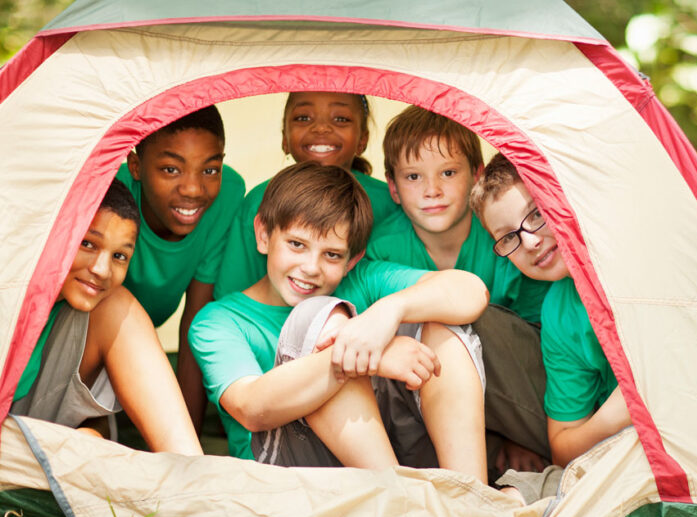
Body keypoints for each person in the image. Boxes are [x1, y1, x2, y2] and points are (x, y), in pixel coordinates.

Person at [190, 162, 489, 482]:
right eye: (296, 245)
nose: (311, 268)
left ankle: (471, 496)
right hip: (285, 472)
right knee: (317, 316)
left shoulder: (361, 280)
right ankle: (402, 497)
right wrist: (367, 358)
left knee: (438, 322)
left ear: (352, 260)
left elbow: (471, 290)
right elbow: (251, 407)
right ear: (263, 234)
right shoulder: (219, 320)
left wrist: (387, 314)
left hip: (383, 452)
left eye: (332, 255)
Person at [369, 106, 552, 479]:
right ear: (393, 188)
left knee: (447, 318)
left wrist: (518, 435)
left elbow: (541, 345)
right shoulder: (382, 248)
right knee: (423, 327)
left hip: (520, 389)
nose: (432, 190)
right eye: (413, 176)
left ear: (476, 175)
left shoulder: (506, 237)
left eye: (448, 173)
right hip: (421, 396)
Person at [470, 153, 632, 499]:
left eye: (537, 214)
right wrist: (615, 415)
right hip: (623, 445)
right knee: (522, 493)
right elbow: (563, 445)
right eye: (508, 237)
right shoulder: (560, 310)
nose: (529, 241)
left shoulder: (631, 254)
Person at [11, 180, 203, 456]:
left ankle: (192, 476)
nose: (102, 269)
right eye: (88, 243)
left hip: (34, 438)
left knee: (117, 304)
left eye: (119, 256)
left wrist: (92, 434)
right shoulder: (12, 284)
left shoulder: (102, 307)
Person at [116, 105, 245, 431]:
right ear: (136, 166)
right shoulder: (109, 188)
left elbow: (197, 321)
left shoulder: (227, 194)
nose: (193, 189)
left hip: (153, 335)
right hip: (93, 326)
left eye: (210, 170)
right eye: (172, 169)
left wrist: (187, 439)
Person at [214, 92, 399, 299]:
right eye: (303, 118)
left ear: (362, 139)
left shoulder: (392, 201)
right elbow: (235, 296)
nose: (321, 128)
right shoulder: (259, 202)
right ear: (284, 137)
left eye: (341, 119)